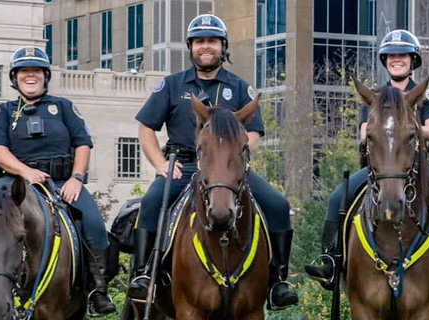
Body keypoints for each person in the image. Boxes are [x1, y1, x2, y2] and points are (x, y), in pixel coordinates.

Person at [126, 14, 299, 310]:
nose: (206, 47)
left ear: (223, 47)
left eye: (212, 41)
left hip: (230, 170)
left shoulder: (240, 87)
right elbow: (146, 128)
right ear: (191, 47)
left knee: (278, 205)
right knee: (151, 203)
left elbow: (253, 131)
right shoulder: (171, 85)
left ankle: (278, 281)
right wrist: (159, 163)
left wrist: (237, 159)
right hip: (183, 166)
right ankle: (144, 276)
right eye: (200, 42)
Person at [304, 29, 429, 289]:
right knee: (338, 197)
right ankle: (331, 262)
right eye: (391, 56)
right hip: (380, 168)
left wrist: (408, 126)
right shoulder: (374, 95)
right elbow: (362, 133)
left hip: (419, 168)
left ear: (413, 60)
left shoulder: (424, 93)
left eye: (402, 55)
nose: (397, 59)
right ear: (385, 61)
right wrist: (386, 128)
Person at [0, 46, 117, 316]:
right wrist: (26, 172)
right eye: (24, 71)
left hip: (62, 181)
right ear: (15, 78)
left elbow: (83, 145)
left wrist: (77, 178)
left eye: (36, 71)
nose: (30, 76)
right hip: (12, 183)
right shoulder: (3, 111)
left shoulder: (64, 107)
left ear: (45, 76)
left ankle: (96, 290)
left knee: (94, 223)